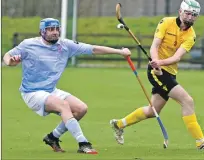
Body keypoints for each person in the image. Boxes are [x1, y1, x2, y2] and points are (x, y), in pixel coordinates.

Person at [3, 18, 131, 154]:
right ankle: (83, 143)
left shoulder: (65, 45)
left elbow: (93, 49)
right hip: (32, 92)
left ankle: (52, 137)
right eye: (50, 29)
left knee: (81, 109)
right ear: (42, 31)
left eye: (57, 29)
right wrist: (11, 62)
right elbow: (7, 56)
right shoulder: (28, 44)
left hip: (51, 90)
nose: (55, 32)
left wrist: (120, 52)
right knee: (63, 105)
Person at [110, 0, 204, 150]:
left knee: (152, 110)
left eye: (194, 15)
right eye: (188, 13)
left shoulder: (191, 35)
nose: (190, 17)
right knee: (187, 100)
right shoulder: (165, 23)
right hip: (157, 72)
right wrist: (155, 62)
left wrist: (160, 64)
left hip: (168, 71)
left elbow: (177, 57)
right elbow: (155, 46)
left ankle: (118, 124)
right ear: (180, 12)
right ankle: (201, 142)